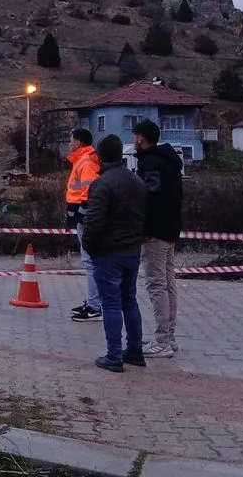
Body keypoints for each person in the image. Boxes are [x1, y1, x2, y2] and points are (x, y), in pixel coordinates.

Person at [83, 135, 147, 373]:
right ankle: (135, 350)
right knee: (130, 300)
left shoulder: (101, 184)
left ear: (100, 156)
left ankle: (114, 354)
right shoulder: (136, 181)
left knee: (111, 303)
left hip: (109, 252)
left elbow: (95, 221)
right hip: (132, 250)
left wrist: (90, 245)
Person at [132, 120, 183, 358]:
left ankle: (162, 340)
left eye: (135, 137)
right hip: (171, 228)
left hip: (155, 231)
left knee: (156, 284)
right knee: (167, 282)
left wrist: (143, 225)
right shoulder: (170, 161)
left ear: (141, 138)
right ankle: (169, 337)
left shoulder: (150, 163)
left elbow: (150, 197)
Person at [65, 128, 103, 323]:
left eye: (71, 140)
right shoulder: (83, 159)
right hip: (82, 215)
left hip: (85, 219)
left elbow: (89, 191)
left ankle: (95, 306)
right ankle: (94, 302)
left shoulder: (86, 161)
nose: (69, 143)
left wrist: (79, 213)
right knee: (91, 262)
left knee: (90, 263)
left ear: (78, 142)